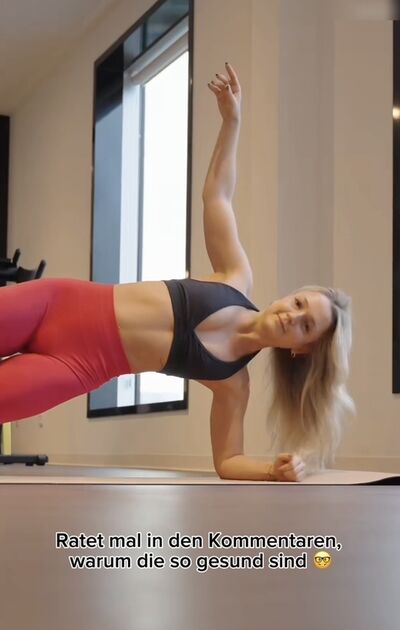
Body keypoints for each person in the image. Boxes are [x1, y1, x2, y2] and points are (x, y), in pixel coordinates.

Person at [0, 64, 354, 482]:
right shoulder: (235, 277)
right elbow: (217, 196)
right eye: (298, 303)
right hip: (56, 304)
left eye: (305, 325)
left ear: (303, 350)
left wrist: (272, 470)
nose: (292, 316)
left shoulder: (232, 383)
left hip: (78, 366)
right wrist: (232, 121)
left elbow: (227, 461)